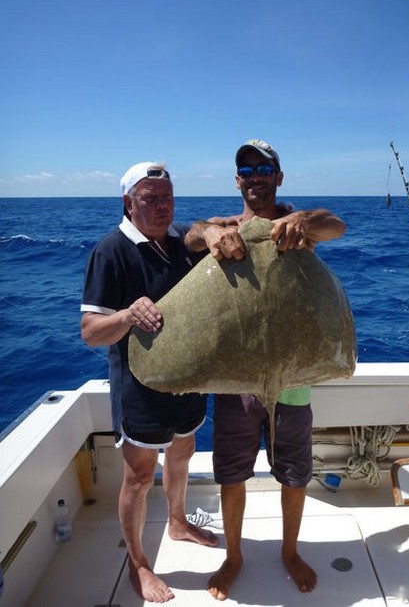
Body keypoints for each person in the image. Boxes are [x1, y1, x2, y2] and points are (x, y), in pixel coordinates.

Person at [185, 139, 347, 601]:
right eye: (246, 170)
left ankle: (289, 551)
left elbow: (336, 224)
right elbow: (190, 236)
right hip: (237, 376)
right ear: (238, 181)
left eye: (263, 168)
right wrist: (209, 232)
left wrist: (301, 221)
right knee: (232, 473)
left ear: (278, 176)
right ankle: (234, 556)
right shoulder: (225, 226)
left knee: (294, 473)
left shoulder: (302, 225)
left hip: (291, 377)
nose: (255, 176)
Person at [80, 162, 218, 604]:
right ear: (128, 202)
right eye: (150, 198)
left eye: (167, 197)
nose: (162, 207)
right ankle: (138, 562)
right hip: (137, 385)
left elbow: (212, 232)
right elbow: (89, 332)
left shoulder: (182, 241)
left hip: (186, 377)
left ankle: (177, 522)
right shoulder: (111, 250)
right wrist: (125, 315)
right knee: (139, 477)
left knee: (183, 451)